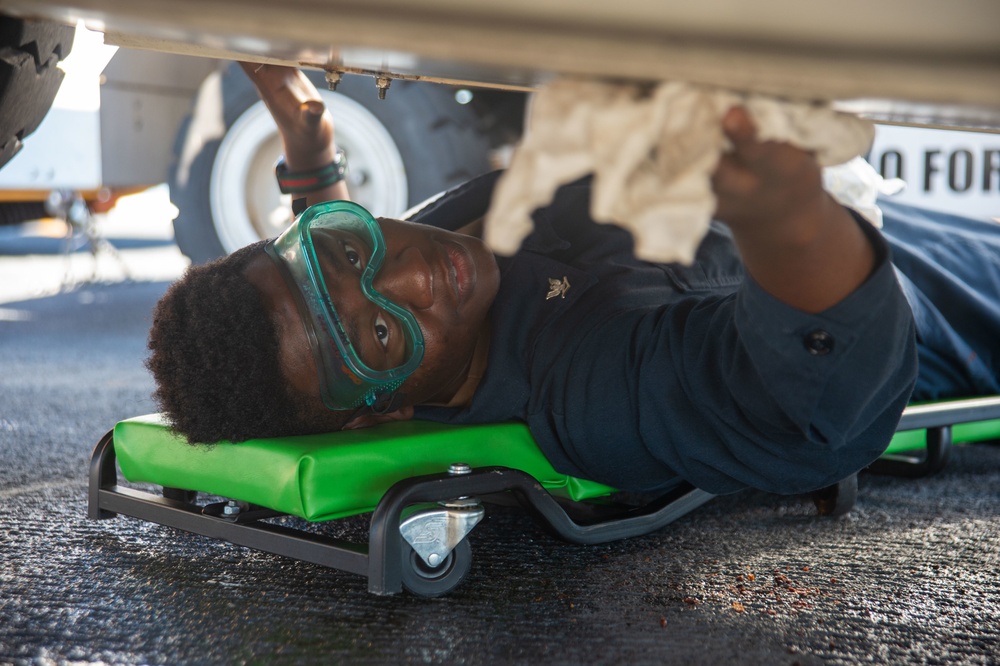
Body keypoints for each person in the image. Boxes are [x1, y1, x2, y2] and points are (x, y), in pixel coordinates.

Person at [147, 64, 999, 497]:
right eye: (381, 334)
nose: (406, 274)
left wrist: (308, 145)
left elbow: (330, 287)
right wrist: (781, 207)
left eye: (346, 250)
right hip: (942, 294)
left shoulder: (415, 273)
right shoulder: (586, 391)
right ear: (391, 408)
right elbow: (806, 412)